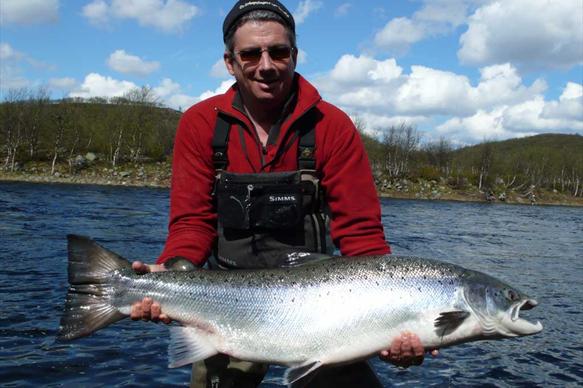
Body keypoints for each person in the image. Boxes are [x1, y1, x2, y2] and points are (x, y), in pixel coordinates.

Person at [131, 1, 437, 386]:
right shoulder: (199, 124)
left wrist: (392, 319)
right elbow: (192, 222)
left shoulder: (333, 126)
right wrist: (172, 272)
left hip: (320, 308)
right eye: (250, 54)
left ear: (294, 55)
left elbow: (361, 235)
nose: (266, 65)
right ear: (230, 61)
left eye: (278, 51)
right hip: (227, 305)